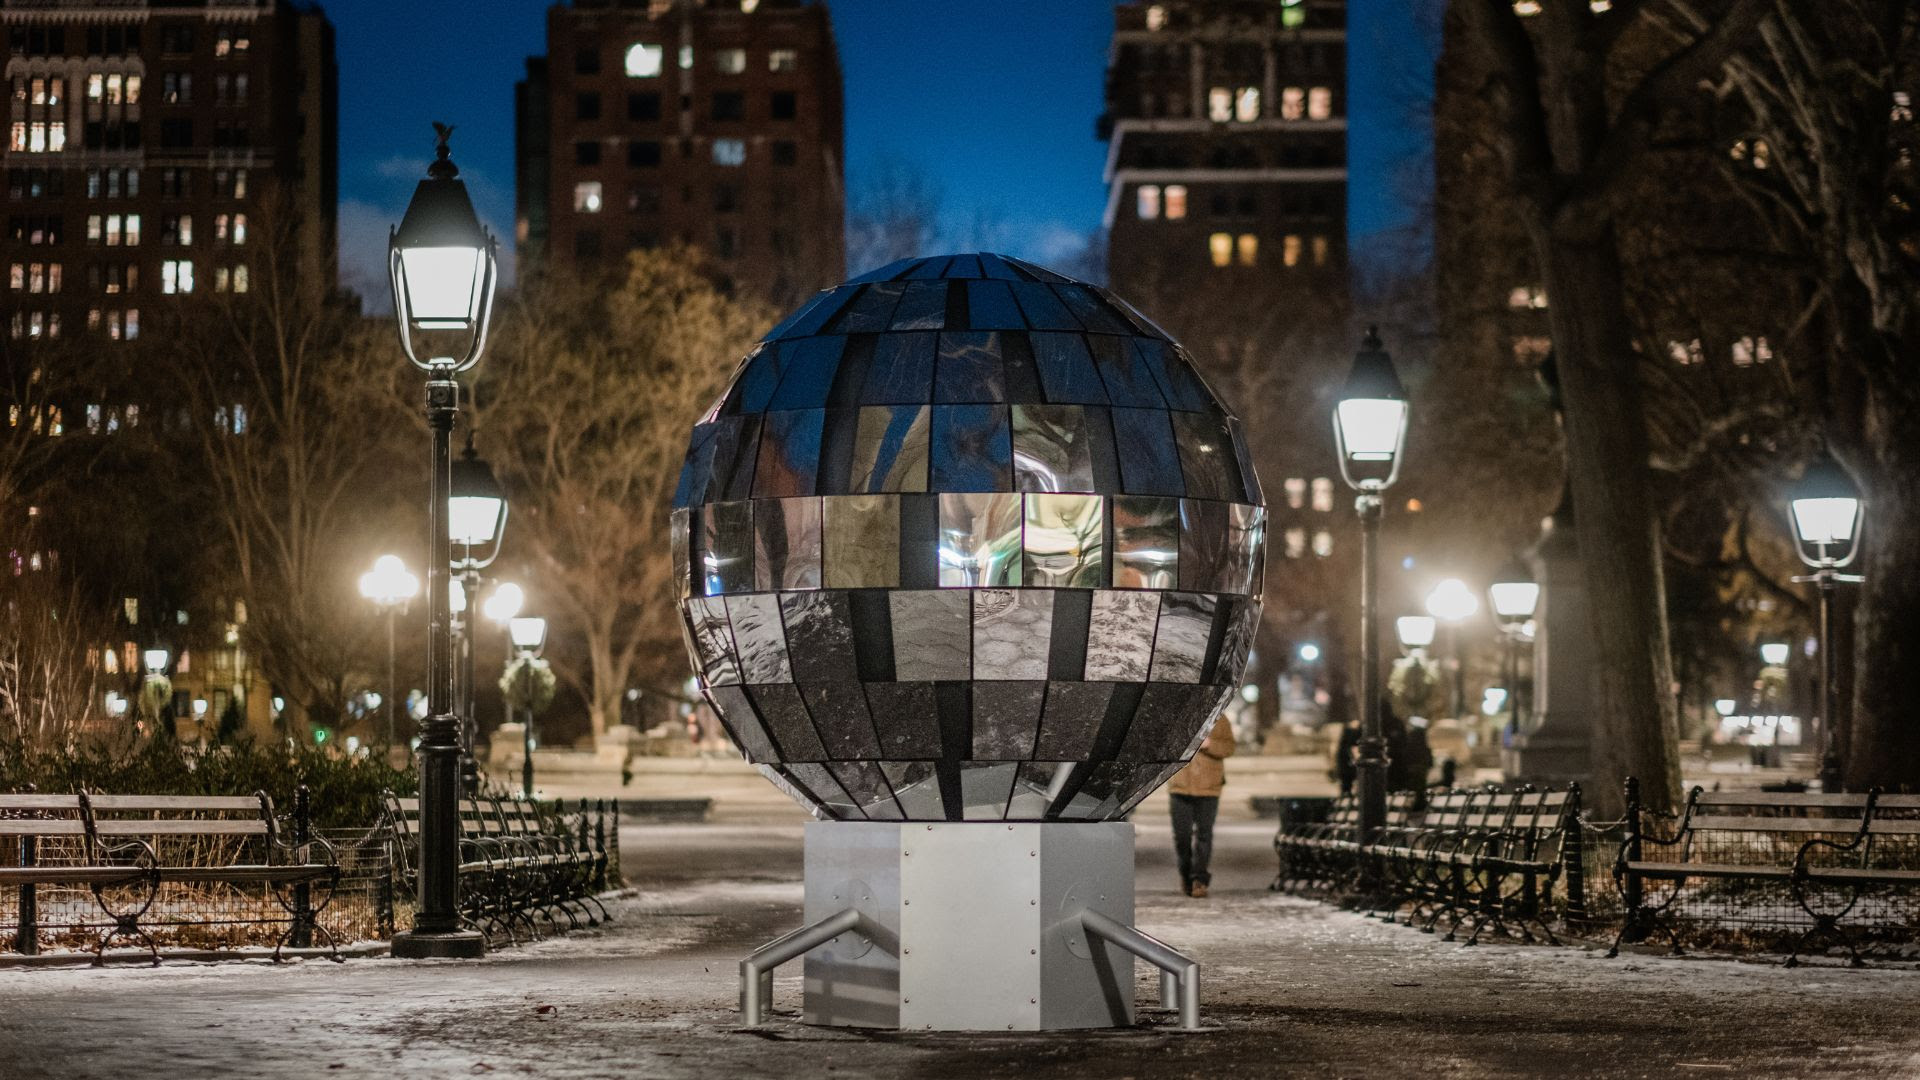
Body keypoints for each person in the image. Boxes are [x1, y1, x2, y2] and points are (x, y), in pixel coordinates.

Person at [1168, 713, 1236, 898]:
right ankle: (1186, 875)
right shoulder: (1180, 717)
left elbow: (1229, 747)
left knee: (1204, 835)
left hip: (1209, 788)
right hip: (1180, 787)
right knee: (1181, 836)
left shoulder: (1221, 720)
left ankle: (1199, 879)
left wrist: (1210, 744)